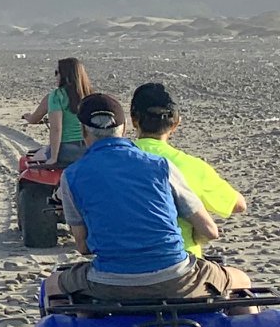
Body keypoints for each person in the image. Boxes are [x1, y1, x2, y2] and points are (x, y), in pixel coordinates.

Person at [51, 93, 252, 300]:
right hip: (177, 278)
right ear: (124, 129)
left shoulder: (72, 176)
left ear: (83, 130)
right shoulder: (161, 165)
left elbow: (83, 247)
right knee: (241, 281)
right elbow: (210, 231)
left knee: (52, 286)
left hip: (111, 282)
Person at [128, 82, 245, 257]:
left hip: (121, 261)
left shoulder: (114, 162)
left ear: (134, 120)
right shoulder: (191, 166)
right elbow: (238, 205)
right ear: (175, 124)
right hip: (180, 262)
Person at [23, 57, 93, 167]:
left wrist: (54, 158)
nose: (55, 76)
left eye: (57, 73)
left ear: (64, 75)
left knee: (28, 161)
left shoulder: (56, 96)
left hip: (66, 150)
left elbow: (56, 128)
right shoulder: (90, 95)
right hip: (89, 149)